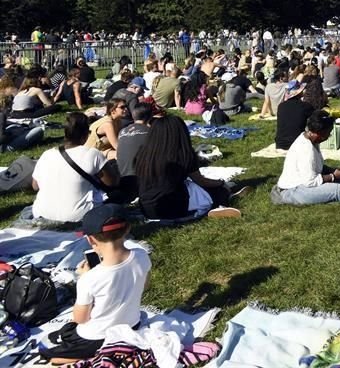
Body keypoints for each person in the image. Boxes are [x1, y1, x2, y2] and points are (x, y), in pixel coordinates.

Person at [38, 205, 151, 364]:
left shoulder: (90, 278)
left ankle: (96, 355)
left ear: (90, 239)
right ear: (128, 229)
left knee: (46, 349)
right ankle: (116, 349)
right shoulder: (141, 256)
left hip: (95, 337)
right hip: (131, 326)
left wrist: (83, 278)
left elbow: (80, 318)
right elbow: (144, 286)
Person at [135, 115, 245, 219]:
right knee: (217, 191)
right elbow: (201, 181)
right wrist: (220, 183)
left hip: (146, 207)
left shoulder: (143, 153)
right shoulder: (182, 153)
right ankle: (221, 203)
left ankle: (226, 198)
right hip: (173, 207)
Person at [31, 112, 113, 223]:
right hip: (80, 216)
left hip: (42, 213)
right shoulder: (92, 154)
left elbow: (35, 186)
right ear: (85, 135)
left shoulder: (47, 154)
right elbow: (112, 182)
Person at [274, 77, 327, 150]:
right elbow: (317, 119)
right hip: (297, 143)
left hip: (280, 144)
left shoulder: (281, 106)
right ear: (299, 92)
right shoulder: (305, 106)